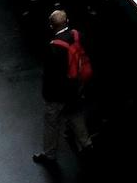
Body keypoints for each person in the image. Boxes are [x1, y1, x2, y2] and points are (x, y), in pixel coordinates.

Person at [33, 9, 93, 167]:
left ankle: (50, 154)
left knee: (51, 122)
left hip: (57, 93)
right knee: (75, 114)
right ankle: (86, 143)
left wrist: (47, 93)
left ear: (52, 25)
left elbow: (50, 74)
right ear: (67, 22)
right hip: (75, 87)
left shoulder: (54, 47)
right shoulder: (76, 35)